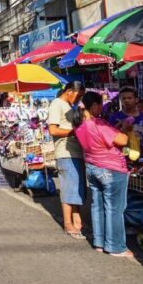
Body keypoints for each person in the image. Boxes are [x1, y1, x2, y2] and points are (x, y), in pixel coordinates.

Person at [73, 92, 134, 257]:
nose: (102, 108)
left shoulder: (78, 124)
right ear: (94, 106)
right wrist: (125, 129)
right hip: (110, 168)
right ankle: (115, 247)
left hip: (93, 167)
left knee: (97, 206)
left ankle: (99, 242)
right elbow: (121, 140)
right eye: (100, 105)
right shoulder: (97, 124)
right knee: (114, 208)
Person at [48, 81, 87, 239]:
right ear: (70, 91)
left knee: (77, 187)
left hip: (75, 152)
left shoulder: (69, 106)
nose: (79, 98)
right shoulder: (57, 104)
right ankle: (68, 224)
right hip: (65, 152)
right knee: (68, 188)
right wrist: (74, 132)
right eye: (78, 95)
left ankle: (76, 217)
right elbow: (53, 129)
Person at [109, 87, 143, 160]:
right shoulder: (115, 117)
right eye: (124, 98)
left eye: (129, 98)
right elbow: (110, 137)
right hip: (123, 159)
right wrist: (120, 126)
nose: (126, 101)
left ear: (136, 99)